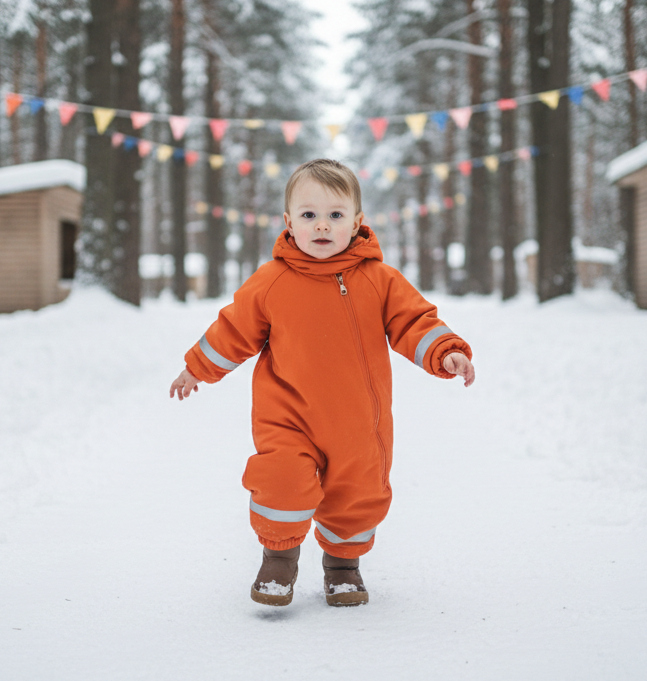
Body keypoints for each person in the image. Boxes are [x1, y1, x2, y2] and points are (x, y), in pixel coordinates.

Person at [169, 158, 475, 607]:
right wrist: (197, 367)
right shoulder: (271, 282)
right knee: (280, 479)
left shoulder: (380, 280)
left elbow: (414, 321)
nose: (322, 226)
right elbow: (233, 330)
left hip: (358, 422)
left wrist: (444, 351)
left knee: (358, 494)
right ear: (289, 222)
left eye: (335, 214)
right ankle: (278, 560)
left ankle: (343, 567)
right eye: (309, 215)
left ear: (357, 222)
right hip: (287, 415)